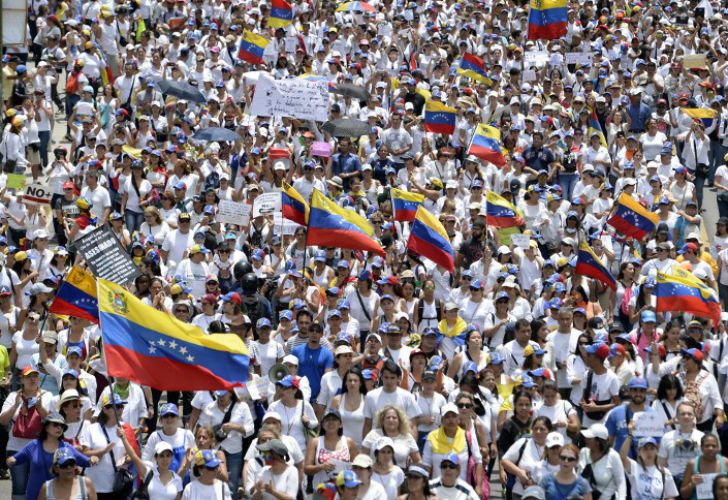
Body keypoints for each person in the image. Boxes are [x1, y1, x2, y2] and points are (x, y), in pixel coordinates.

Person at [7, 413, 93, 500]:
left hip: (56, 496)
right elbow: (15, 459)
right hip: (34, 495)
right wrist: (10, 460)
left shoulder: (67, 448)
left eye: (62, 426)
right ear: (46, 427)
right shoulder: (33, 445)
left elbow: (86, 462)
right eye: (55, 425)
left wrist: (93, 459)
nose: (59, 428)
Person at [119, 434, 183, 500]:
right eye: (161, 456)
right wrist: (123, 438)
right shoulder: (148, 473)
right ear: (156, 458)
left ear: (172, 457)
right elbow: (133, 456)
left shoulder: (177, 480)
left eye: (168, 455)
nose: (165, 459)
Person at [680, 434, 728, 500]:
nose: (710, 448)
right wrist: (692, 484)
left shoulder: (725, 462)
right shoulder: (692, 464)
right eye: (707, 445)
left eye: (714, 446)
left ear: (718, 448)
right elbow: (683, 495)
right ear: (701, 448)